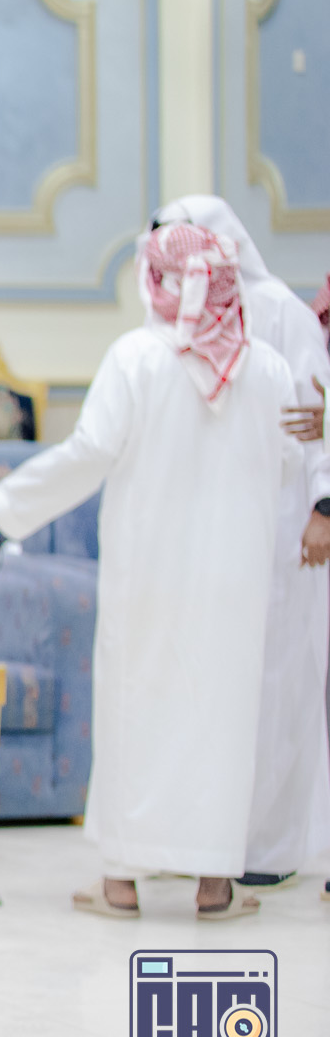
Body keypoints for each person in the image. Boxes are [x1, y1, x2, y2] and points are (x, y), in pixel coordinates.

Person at [0, 221, 299, 920]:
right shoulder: (268, 371)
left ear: (159, 281)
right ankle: (214, 886)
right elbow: (294, 463)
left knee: (137, 709)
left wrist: (0, 509)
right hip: (235, 584)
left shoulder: (136, 358)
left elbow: (88, 453)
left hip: (148, 577)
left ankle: (120, 883)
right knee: (222, 720)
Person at [151, 197, 330, 889]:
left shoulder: (282, 312)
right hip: (213, 533)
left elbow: (313, 421)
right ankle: (206, 843)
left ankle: (267, 849)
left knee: (277, 686)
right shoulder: (182, 313)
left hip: (284, 532)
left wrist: (322, 506)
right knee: (208, 686)